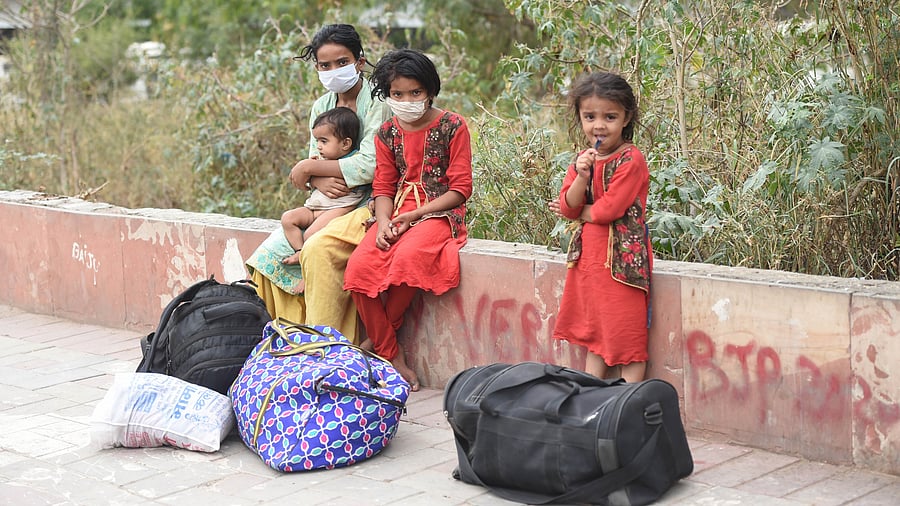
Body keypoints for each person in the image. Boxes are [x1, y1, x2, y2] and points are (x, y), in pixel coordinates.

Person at [245, 24, 390, 343]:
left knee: (317, 249)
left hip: (366, 203)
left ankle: (324, 343)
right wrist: (315, 174)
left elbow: (369, 165)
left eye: (342, 62)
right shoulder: (321, 106)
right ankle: (286, 336)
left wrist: (310, 168)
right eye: (325, 65)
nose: (334, 70)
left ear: (359, 61)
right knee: (266, 257)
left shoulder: (378, 103)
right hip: (325, 200)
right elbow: (313, 166)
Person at [343, 49, 473, 390]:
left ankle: (381, 347)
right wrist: (383, 222)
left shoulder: (453, 125)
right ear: (387, 94)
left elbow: (460, 189)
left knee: (409, 258)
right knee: (358, 270)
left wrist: (416, 214)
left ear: (430, 90)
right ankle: (389, 348)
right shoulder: (386, 132)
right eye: (397, 94)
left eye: (415, 92)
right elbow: (383, 186)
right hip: (396, 211)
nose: (407, 101)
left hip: (438, 212)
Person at [550, 72, 652, 383]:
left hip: (623, 264)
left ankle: (629, 402)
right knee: (596, 334)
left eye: (610, 117)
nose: (599, 125)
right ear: (580, 117)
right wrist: (582, 177)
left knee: (628, 337)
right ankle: (590, 398)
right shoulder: (583, 159)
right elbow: (568, 205)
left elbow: (609, 211)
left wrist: (579, 213)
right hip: (588, 262)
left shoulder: (631, 160)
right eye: (590, 117)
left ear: (626, 118)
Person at [280, 107, 364, 267]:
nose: (318, 146)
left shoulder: (354, 162)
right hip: (314, 208)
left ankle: (305, 262)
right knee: (288, 218)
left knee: (310, 235)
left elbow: (362, 173)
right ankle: (300, 251)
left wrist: (314, 170)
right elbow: (304, 178)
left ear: (345, 143)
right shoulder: (319, 160)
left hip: (337, 209)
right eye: (317, 141)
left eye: (324, 141)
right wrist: (314, 174)